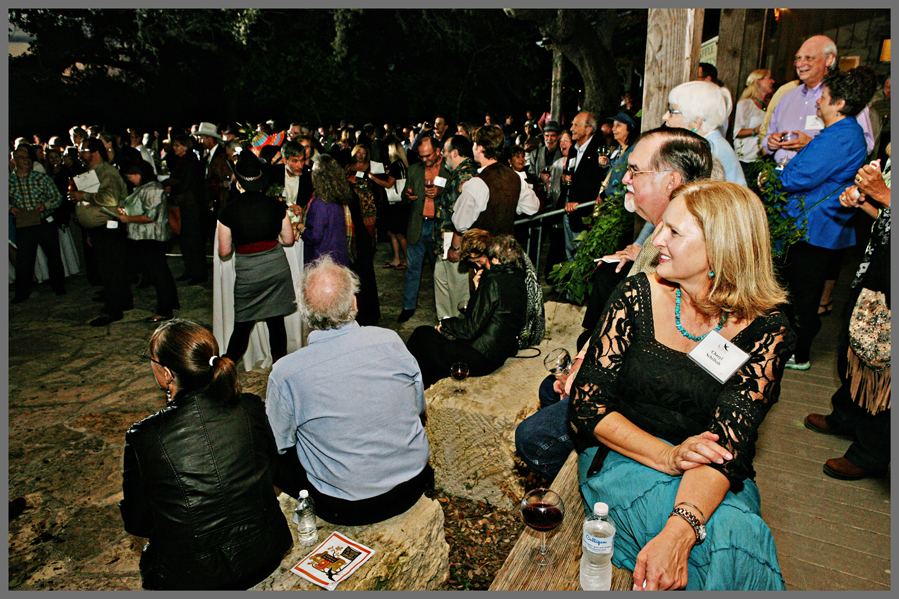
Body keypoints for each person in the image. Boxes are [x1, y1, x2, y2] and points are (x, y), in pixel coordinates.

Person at [568, 181, 795, 590]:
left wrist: (680, 529)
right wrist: (670, 456)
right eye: (661, 227)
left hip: (712, 478)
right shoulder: (636, 297)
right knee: (732, 536)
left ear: (720, 247)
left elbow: (728, 444)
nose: (656, 240)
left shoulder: (767, 330)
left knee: (733, 533)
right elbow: (587, 408)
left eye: (674, 231)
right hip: (625, 458)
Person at [517, 128, 715, 480]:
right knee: (553, 390)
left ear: (671, 181)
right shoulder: (659, 236)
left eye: (635, 170)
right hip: (630, 374)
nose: (625, 177)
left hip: (648, 401)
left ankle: (596, 476)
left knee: (533, 438)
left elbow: (671, 358)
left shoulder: (689, 252)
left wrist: (588, 376)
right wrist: (582, 361)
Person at [119, 319, 292, 590]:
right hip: (264, 553)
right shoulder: (250, 408)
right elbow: (273, 471)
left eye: (150, 359)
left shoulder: (146, 436)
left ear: (167, 373)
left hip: (193, 576)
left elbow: (138, 522)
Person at [266, 257, 431, 525]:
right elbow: (418, 406)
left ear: (304, 312)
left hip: (348, 507)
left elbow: (280, 443)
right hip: (414, 482)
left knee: (269, 451)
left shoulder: (286, 373)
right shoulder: (390, 340)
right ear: (354, 303)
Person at [772, 67, 877, 370]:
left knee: (802, 293)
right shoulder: (841, 132)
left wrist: (774, 179)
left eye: (825, 97)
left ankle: (798, 353)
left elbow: (800, 177)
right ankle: (791, 348)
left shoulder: (843, 135)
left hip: (813, 226)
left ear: (840, 103)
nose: (818, 102)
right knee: (797, 290)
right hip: (811, 225)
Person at [804, 150, 890, 480]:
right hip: (877, 267)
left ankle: (870, 454)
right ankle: (847, 417)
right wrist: (867, 205)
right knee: (853, 352)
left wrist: (882, 194)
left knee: (884, 371)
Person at [407, 234, 528, 388]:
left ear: (496, 259)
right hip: (498, 354)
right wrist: (478, 288)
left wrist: (445, 324)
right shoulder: (518, 277)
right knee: (433, 347)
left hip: (481, 357)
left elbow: (469, 329)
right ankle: (425, 385)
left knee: (422, 335)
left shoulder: (493, 280)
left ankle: (411, 388)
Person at [217, 151, 296, 366]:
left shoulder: (227, 211)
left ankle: (225, 368)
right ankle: (281, 369)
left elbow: (224, 252)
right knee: (276, 322)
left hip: (249, 272)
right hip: (276, 268)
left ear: (237, 179)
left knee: (242, 325)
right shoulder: (277, 205)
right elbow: (288, 240)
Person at [763, 35, 875, 167]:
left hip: (820, 183)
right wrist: (771, 143)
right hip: (779, 178)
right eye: (798, 58)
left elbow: (864, 146)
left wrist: (813, 146)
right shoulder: (787, 96)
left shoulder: (845, 97)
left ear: (829, 59)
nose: (799, 64)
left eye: (808, 58)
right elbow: (767, 139)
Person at [69, 138, 132, 326]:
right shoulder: (93, 172)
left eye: (83, 150)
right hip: (99, 228)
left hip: (109, 228)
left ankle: (113, 310)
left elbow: (110, 199)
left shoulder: (107, 172)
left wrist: (83, 196)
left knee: (110, 270)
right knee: (114, 268)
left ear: (95, 153)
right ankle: (123, 301)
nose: (80, 154)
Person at [111, 160, 179, 323]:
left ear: (137, 174)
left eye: (129, 177)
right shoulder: (145, 188)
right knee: (161, 272)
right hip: (146, 237)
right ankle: (171, 302)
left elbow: (150, 216)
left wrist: (127, 218)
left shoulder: (153, 189)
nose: (129, 180)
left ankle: (164, 310)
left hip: (152, 237)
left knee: (158, 274)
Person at [397, 136, 452, 323]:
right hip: (417, 225)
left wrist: (441, 193)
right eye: (421, 156)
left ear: (438, 151)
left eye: (427, 155)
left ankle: (444, 312)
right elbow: (404, 196)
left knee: (441, 272)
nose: (424, 159)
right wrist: (408, 196)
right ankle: (408, 307)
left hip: (440, 228)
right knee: (412, 269)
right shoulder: (414, 170)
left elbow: (458, 196)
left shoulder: (449, 169)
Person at [9, 145, 66, 304]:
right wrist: (10, 208)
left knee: (54, 256)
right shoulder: (8, 181)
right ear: (14, 161)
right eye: (21, 157)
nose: (26, 160)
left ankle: (59, 286)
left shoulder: (41, 178)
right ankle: (22, 293)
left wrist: (45, 206)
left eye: (28, 157)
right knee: (24, 260)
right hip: (24, 224)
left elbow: (57, 198)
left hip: (44, 222)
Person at [664, 81, 747, 186]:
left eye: (672, 112)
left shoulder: (709, 149)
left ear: (696, 121)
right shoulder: (709, 142)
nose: (665, 117)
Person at [299, 154, 350, 266]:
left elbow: (315, 236)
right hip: (338, 255)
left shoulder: (320, 202)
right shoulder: (337, 198)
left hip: (323, 259)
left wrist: (300, 227)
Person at [369, 134, 409, 269]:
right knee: (392, 232)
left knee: (398, 233)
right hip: (400, 202)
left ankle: (405, 259)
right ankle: (396, 258)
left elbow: (388, 184)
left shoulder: (396, 165)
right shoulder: (403, 165)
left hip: (395, 203)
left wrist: (373, 177)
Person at [733, 69, 776, 167]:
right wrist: (755, 130)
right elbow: (735, 132)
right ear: (758, 81)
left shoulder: (771, 104)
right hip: (745, 161)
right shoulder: (745, 104)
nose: (773, 81)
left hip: (764, 160)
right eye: (769, 78)